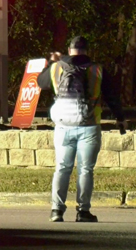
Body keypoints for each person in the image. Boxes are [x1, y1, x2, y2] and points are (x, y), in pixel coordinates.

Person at [37, 36, 126, 223]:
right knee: (85, 169)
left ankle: (56, 211)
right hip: (89, 125)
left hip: (63, 127)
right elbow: (112, 96)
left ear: (69, 51)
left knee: (62, 168)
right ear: (87, 51)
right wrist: (120, 118)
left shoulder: (56, 68)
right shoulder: (98, 69)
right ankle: (83, 211)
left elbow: (40, 82)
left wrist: (52, 62)